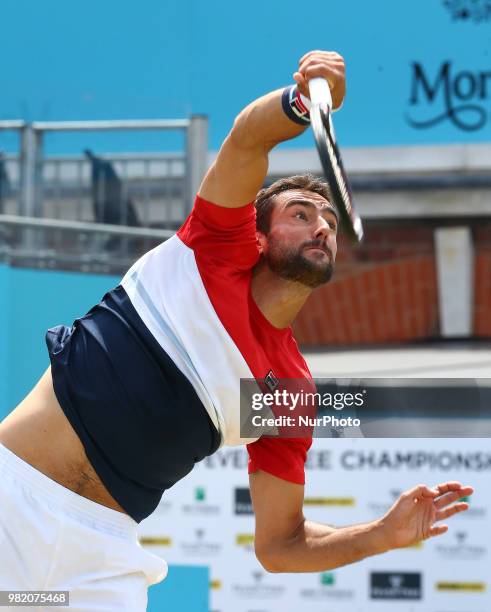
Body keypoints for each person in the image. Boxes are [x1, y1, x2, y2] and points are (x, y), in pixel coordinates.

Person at [0, 50, 473, 610]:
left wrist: (381, 535)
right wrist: (305, 102)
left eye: (329, 221)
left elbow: (280, 545)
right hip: (12, 493)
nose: (321, 225)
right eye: (301, 213)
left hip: (100, 559)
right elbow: (249, 138)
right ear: (260, 236)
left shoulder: (285, 394)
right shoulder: (213, 250)